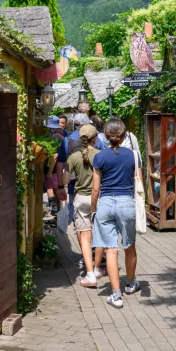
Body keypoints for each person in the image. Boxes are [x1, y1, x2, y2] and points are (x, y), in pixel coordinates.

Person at [91, 118, 142, 308]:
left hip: (105, 203)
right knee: (130, 246)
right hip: (126, 203)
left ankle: (116, 295)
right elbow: (139, 184)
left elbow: (96, 189)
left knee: (111, 249)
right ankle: (130, 284)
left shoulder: (100, 157)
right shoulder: (134, 156)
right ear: (123, 135)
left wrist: (94, 208)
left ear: (105, 135)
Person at [68, 124, 101, 287]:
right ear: (95, 138)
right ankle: (98, 268)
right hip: (99, 198)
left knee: (84, 237)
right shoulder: (102, 155)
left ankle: (89, 274)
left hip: (81, 198)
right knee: (101, 234)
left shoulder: (74, 157)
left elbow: (64, 180)